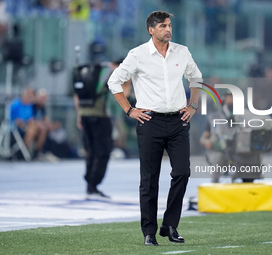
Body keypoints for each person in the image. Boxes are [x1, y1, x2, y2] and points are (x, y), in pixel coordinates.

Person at [107, 11, 202, 246]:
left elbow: (196, 78)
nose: (168, 29)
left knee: (182, 172)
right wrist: (129, 110)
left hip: (179, 121)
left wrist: (193, 105)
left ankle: (170, 225)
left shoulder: (182, 51)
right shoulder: (137, 54)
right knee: (149, 178)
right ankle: (149, 231)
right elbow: (114, 81)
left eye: (169, 25)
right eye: (162, 26)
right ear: (151, 30)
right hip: (150, 122)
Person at [74, 62, 113, 199]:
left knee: (90, 150)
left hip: (84, 114)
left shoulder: (84, 71)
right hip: (100, 115)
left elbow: (76, 95)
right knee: (103, 150)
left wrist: (79, 114)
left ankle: (90, 184)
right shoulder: (110, 72)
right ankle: (93, 184)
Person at [200, 92, 235, 183]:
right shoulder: (214, 118)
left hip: (236, 152)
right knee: (219, 158)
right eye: (229, 98)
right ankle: (214, 185)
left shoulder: (242, 117)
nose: (231, 101)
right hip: (217, 151)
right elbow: (203, 138)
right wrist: (207, 142)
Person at [10, 88, 48, 158]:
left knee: (42, 129)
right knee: (32, 129)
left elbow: (32, 119)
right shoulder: (16, 105)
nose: (31, 98)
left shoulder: (29, 106)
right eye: (29, 95)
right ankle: (23, 153)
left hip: (27, 126)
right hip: (15, 128)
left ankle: (36, 153)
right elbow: (18, 122)